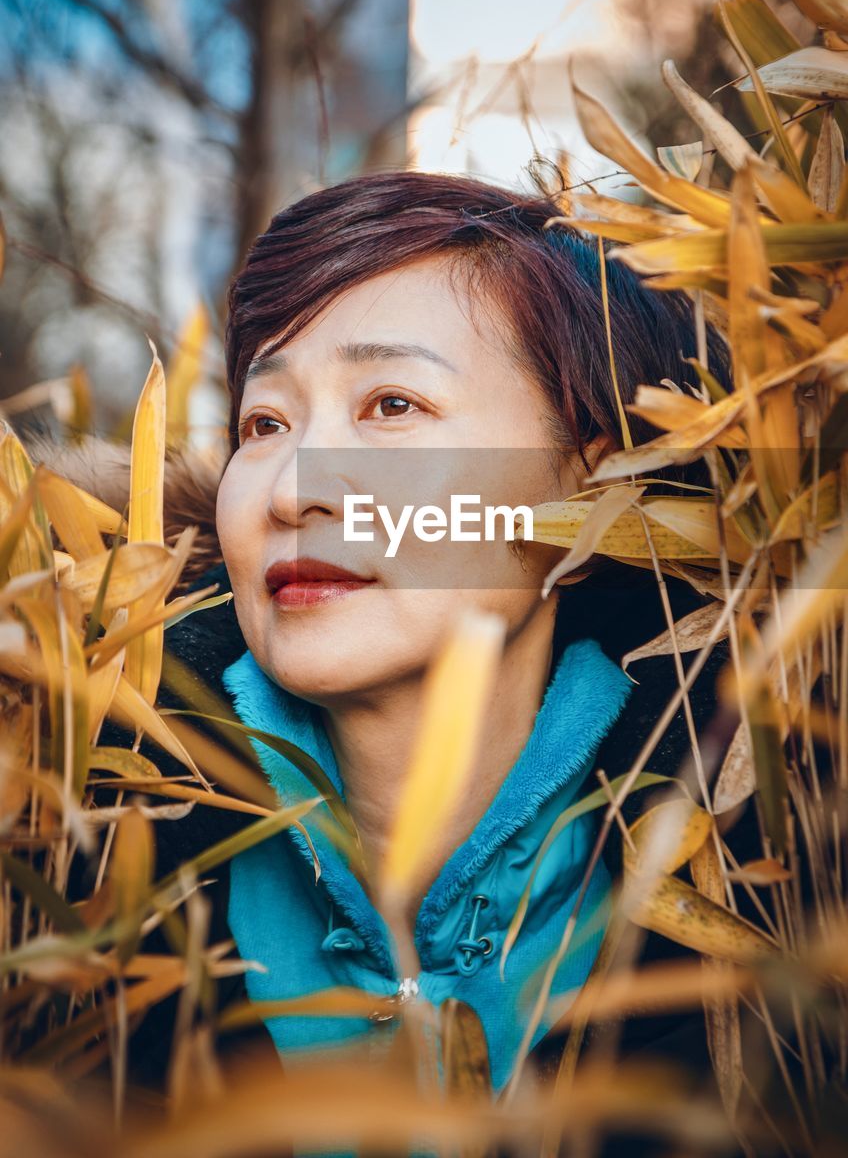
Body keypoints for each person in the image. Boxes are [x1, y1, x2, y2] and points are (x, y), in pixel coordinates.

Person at [79, 170, 740, 1150]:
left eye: (391, 403)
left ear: (588, 478)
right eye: (265, 422)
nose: (295, 488)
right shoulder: (75, 847)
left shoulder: (769, 861)